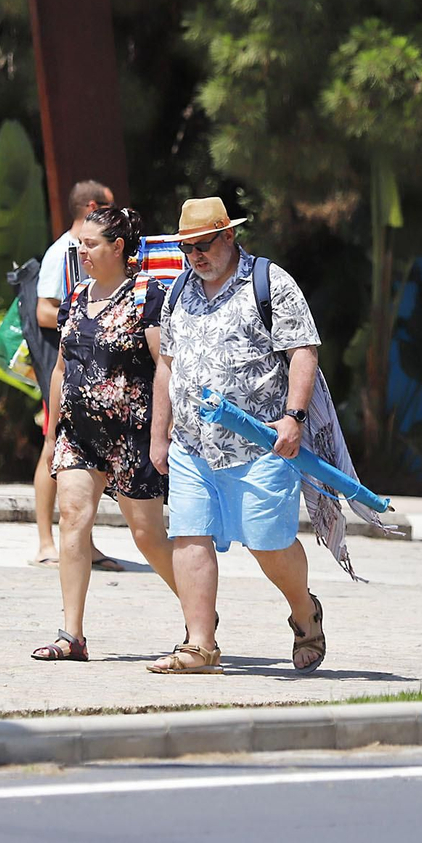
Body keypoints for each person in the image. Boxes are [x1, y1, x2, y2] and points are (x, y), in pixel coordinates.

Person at [146, 197, 325, 674]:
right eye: (187, 248)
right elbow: (166, 366)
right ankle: (200, 645)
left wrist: (293, 417)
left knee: (269, 543)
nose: (195, 256)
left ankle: (305, 612)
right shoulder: (179, 289)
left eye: (203, 245)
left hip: (260, 443)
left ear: (229, 235)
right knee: (188, 536)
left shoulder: (270, 282)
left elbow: (302, 351)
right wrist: (159, 435)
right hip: (192, 444)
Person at [30, 206, 177, 661]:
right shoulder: (76, 295)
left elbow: (165, 367)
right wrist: (52, 434)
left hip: (132, 434)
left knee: (146, 535)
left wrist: (163, 432)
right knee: (73, 518)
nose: (82, 251)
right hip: (78, 433)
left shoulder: (147, 296)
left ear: (118, 247)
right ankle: (71, 635)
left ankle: (199, 611)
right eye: (80, 244)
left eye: (91, 244)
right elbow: (61, 368)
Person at [30, 179, 118, 571]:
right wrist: (83, 317)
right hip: (62, 366)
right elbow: (43, 311)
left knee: (85, 453)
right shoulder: (62, 252)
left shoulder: (93, 252)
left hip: (90, 367)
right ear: (93, 208)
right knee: (52, 446)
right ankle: (45, 542)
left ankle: (85, 542)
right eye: (109, 208)